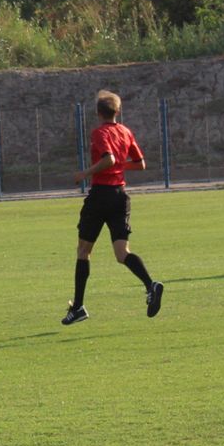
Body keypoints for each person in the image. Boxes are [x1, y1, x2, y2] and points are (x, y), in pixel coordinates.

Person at [64, 90, 163, 325]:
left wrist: (84, 174)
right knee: (122, 254)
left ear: (98, 112)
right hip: (120, 196)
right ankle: (151, 285)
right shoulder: (125, 131)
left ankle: (78, 307)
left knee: (83, 251)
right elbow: (140, 164)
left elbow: (108, 159)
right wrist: (119, 166)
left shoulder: (99, 133)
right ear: (117, 111)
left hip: (100, 195)